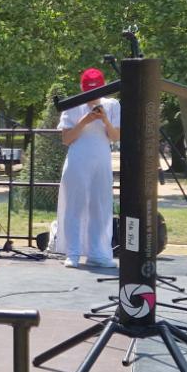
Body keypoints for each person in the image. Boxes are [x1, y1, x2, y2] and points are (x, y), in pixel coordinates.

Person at [53, 67, 121, 269]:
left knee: (100, 205)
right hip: (78, 159)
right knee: (74, 205)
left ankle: (98, 252)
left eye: (96, 92)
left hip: (101, 160)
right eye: (89, 92)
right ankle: (72, 252)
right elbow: (67, 139)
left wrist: (104, 119)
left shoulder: (112, 105)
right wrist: (85, 121)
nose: (93, 97)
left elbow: (115, 137)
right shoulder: (72, 105)